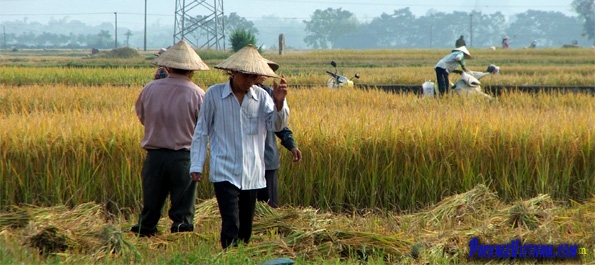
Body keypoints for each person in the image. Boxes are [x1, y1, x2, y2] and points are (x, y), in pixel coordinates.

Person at [189, 44, 290, 249]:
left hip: (252, 171)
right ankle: (229, 256)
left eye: (254, 77)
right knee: (230, 222)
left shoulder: (261, 97)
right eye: (245, 76)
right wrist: (196, 165)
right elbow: (201, 131)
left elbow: (276, 125)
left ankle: (240, 254)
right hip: (224, 169)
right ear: (232, 72)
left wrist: (280, 103)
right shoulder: (214, 95)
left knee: (246, 226)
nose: (250, 82)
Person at [131, 40, 210, 237]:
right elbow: (204, 127)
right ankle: (180, 232)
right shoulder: (198, 94)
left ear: (167, 66)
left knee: (151, 201)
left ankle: (146, 230)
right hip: (183, 158)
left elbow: (142, 117)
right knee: (183, 205)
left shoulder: (150, 88)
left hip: (154, 156)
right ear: (192, 70)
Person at [256, 60, 302, 208]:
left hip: (267, 158)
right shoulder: (233, 96)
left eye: (266, 72)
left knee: (268, 206)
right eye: (260, 71)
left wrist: (291, 145)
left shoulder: (270, 94)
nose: (265, 75)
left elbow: (280, 125)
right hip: (241, 161)